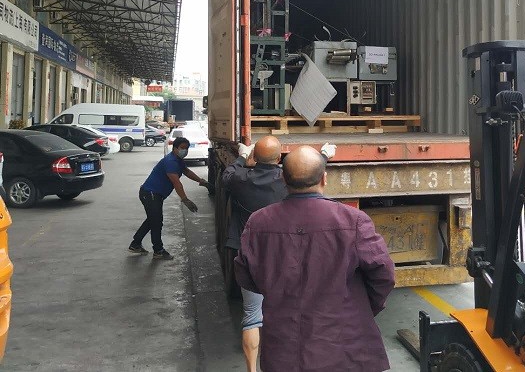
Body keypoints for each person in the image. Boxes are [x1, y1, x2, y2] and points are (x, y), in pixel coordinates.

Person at [235, 146, 395, 372]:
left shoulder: (258, 222)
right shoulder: (354, 221)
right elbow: (383, 274)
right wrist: (365, 308)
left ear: (283, 179)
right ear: (324, 179)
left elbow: (245, 275)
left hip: (284, 350)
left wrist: (278, 295)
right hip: (346, 349)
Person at [223, 137, 337, 372]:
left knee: (252, 316)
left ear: (255, 157)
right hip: (285, 255)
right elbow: (306, 173)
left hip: (254, 258)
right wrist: (324, 155)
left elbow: (228, 174)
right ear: (278, 160)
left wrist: (242, 156)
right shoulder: (284, 180)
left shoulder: (240, 180)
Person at [129, 137, 208, 260]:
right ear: (175, 148)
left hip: (154, 194)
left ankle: (135, 244)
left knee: (152, 220)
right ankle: (158, 250)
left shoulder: (178, 160)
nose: (185, 151)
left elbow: (186, 171)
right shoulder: (170, 161)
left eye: (186, 148)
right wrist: (185, 199)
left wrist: (201, 181)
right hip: (150, 194)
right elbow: (176, 183)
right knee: (156, 222)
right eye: (182, 148)